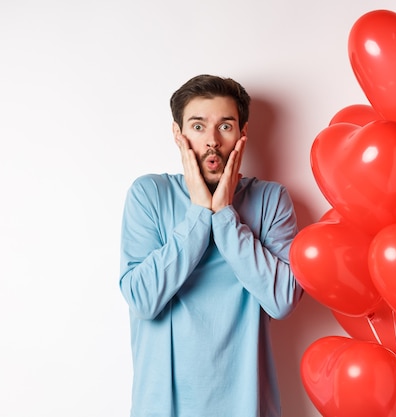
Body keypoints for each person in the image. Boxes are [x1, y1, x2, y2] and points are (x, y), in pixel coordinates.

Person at [119, 74, 303, 417]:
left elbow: (282, 301)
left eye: (226, 126)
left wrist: (224, 216)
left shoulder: (270, 200)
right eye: (198, 126)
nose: (212, 141)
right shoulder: (149, 195)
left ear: (243, 134)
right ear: (179, 134)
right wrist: (199, 214)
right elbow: (143, 300)